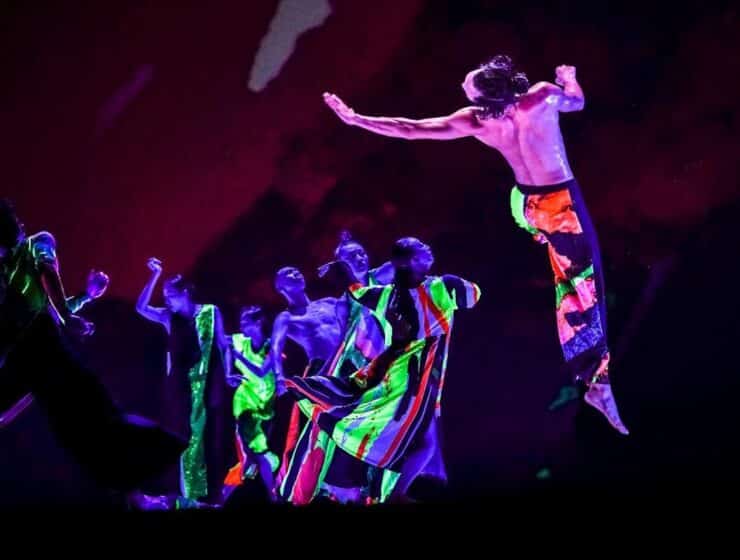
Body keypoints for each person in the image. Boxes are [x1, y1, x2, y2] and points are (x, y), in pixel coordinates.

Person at [322, 55, 628, 434]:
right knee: (583, 284)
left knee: (560, 265)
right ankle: (596, 381)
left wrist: (356, 119)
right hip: (559, 205)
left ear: (487, 93)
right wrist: (570, 77)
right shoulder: (542, 97)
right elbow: (577, 102)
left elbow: (411, 129)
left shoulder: (478, 121)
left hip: (526, 204)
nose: (462, 88)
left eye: (467, 84)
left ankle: (591, 374)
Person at [0, 199, 185, 495]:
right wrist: (80, 302)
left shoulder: (36, 244)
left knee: (93, 420)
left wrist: (70, 311)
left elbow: (48, 284)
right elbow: (44, 309)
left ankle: (148, 470)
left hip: (39, 350)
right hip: (27, 356)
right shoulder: (7, 270)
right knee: (83, 423)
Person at [284, 237, 481, 500]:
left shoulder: (386, 295)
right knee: (417, 441)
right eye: (421, 247)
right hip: (411, 377)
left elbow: (358, 289)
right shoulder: (441, 286)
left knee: (421, 442)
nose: (428, 247)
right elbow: (473, 295)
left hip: (396, 372)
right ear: (411, 261)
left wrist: (341, 271)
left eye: (362, 254)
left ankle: (390, 492)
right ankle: (386, 492)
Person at [136, 257, 234, 508]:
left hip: (206, 387)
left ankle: (202, 495)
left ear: (186, 292)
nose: (166, 299)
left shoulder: (211, 312)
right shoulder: (170, 318)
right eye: (165, 295)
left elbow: (223, 346)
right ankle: (183, 494)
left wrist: (230, 372)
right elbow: (141, 307)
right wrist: (155, 275)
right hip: (179, 389)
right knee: (183, 438)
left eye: (171, 294)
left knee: (205, 439)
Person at [222, 305, 280, 501]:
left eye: (245, 321)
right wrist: (228, 370)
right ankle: (270, 495)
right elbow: (222, 343)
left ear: (258, 322)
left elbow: (262, 372)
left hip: (265, 402)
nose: (241, 325)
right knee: (252, 453)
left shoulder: (272, 345)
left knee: (253, 458)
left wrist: (238, 357)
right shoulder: (239, 341)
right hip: (244, 400)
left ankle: (226, 496)